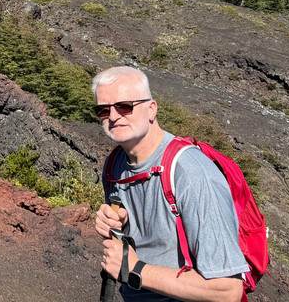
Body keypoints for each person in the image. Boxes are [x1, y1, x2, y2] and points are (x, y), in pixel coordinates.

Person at [93, 66, 249, 302]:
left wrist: (136, 270)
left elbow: (227, 291)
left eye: (125, 106)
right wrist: (119, 225)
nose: (113, 116)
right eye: (103, 110)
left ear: (151, 109)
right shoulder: (114, 165)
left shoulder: (191, 172)